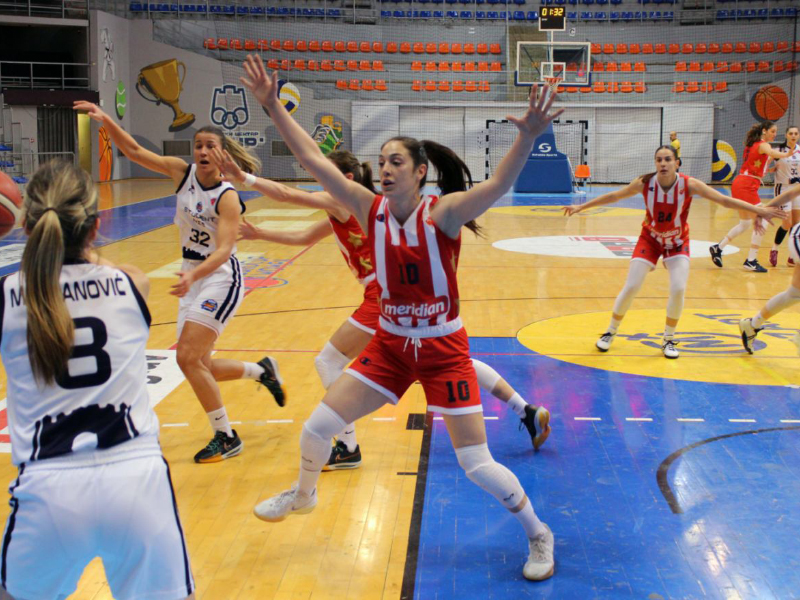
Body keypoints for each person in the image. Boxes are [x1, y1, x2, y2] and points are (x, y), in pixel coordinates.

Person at [241, 54, 561, 581]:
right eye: (381, 162)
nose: (385, 169)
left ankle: (538, 532)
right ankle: (304, 494)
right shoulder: (367, 208)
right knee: (316, 427)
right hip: (390, 347)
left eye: (396, 162)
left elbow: (497, 186)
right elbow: (313, 160)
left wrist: (527, 135)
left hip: (442, 351)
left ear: (419, 172)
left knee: (476, 464)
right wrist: (273, 105)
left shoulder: (445, 213)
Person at [213, 148, 551, 468]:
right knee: (450, 362)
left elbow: (288, 194)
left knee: (328, 361)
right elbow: (303, 237)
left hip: (382, 295)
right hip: (386, 294)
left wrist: (244, 178)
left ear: (345, 178)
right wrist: (260, 234)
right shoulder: (347, 210)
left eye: (325, 174)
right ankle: (525, 409)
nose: (320, 181)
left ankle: (347, 446)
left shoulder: (342, 202)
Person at [0, 161, 195, 600]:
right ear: (96, 226)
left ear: (28, 226)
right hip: (137, 480)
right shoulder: (132, 282)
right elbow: (91, 267)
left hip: (48, 488)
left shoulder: (8, 295)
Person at [72, 101, 286, 464]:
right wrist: (106, 119)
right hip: (193, 272)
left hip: (220, 277)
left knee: (186, 357)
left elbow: (224, 250)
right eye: (198, 145)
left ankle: (226, 436)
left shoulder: (228, 197)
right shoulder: (180, 173)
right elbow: (134, 151)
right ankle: (260, 371)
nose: (202, 151)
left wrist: (194, 275)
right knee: (200, 364)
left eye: (210, 146)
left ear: (222, 153)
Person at [564, 145, 790, 359]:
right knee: (632, 285)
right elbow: (614, 196)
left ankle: (668, 339)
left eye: (667, 159)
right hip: (650, 239)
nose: (663, 163)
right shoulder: (645, 183)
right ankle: (610, 331)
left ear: (677, 163)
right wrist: (581, 207)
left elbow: (724, 200)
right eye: (659, 160)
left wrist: (759, 210)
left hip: (677, 241)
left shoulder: (689, 184)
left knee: (678, 288)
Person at [709, 121, 794, 272]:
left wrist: (770, 169)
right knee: (764, 218)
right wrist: (787, 154)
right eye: (773, 131)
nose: (775, 134)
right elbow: (772, 152)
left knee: (745, 223)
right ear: (764, 131)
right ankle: (751, 260)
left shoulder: (752, 145)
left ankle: (718, 248)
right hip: (746, 186)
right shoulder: (763, 144)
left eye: (776, 132)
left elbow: (755, 165)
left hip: (742, 183)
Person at [769, 125, 800, 267]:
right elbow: (764, 166)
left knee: (796, 224)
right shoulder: (778, 151)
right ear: (786, 135)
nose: (793, 136)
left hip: (797, 189)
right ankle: (774, 249)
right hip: (783, 189)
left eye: (795, 133)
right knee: (787, 223)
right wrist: (770, 169)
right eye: (791, 133)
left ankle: (792, 256)